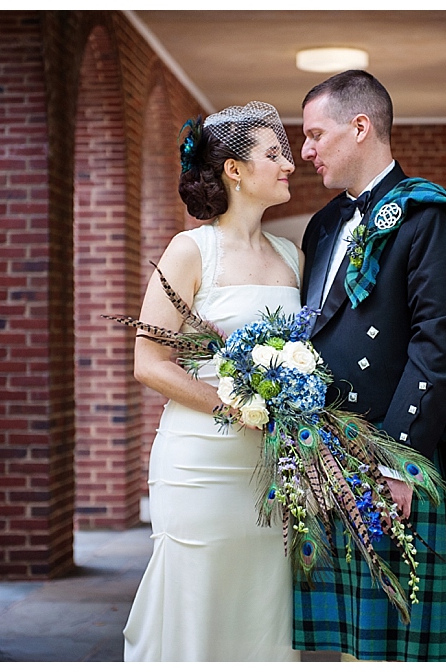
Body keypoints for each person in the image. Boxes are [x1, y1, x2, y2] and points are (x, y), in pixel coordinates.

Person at [292, 70, 446, 661]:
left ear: (359, 127)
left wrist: (400, 461)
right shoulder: (324, 225)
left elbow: (440, 346)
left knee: (398, 643)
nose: (305, 152)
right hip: (323, 451)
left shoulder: (430, 219)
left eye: (314, 135)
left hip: (392, 456)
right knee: (338, 643)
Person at [122, 101, 303, 662]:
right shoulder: (190, 250)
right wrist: (239, 406)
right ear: (234, 169)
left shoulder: (291, 256)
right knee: (196, 603)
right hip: (199, 464)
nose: (289, 165)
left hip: (270, 469)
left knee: (262, 607)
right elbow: (150, 362)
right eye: (274, 153)